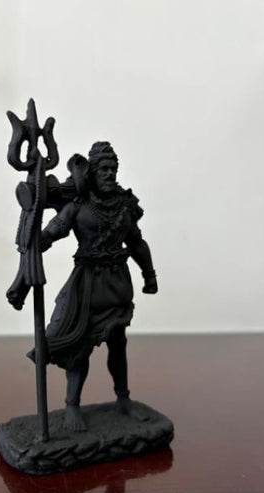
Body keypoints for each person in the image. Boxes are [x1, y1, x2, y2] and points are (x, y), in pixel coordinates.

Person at [39, 141, 158, 431]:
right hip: (87, 287)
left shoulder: (124, 205)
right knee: (79, 349)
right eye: (103, 168)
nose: (109, 173)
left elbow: (137, 243)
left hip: (117, 285)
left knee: (118, 344)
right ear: (92, 172)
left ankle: (123, 399)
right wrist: (35, 240)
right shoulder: (79, 206)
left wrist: (149, 274)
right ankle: (72, 405)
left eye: (113, 168)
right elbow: (52, 232)